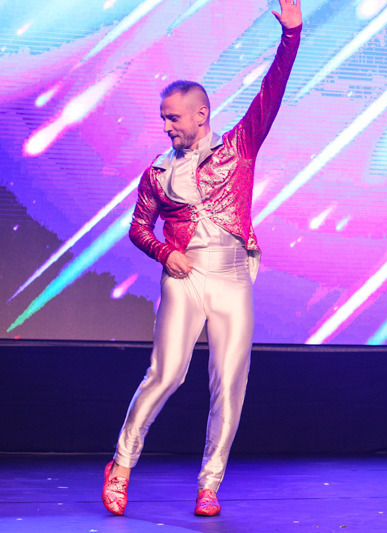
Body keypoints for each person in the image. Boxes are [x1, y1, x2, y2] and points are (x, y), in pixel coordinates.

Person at [102, 0, 302, 517]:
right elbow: (137, 228)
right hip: (185, 277)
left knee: (229, 385)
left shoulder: (239, 148)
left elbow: (272, 92)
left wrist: (291, 35)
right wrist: (165, 252)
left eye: (173, 118)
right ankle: (121, 463)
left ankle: (209, 484)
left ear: (201, 114)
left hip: (232, 276)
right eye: (163, 118)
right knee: (166, 374)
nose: (166, 126)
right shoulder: (157, 172)